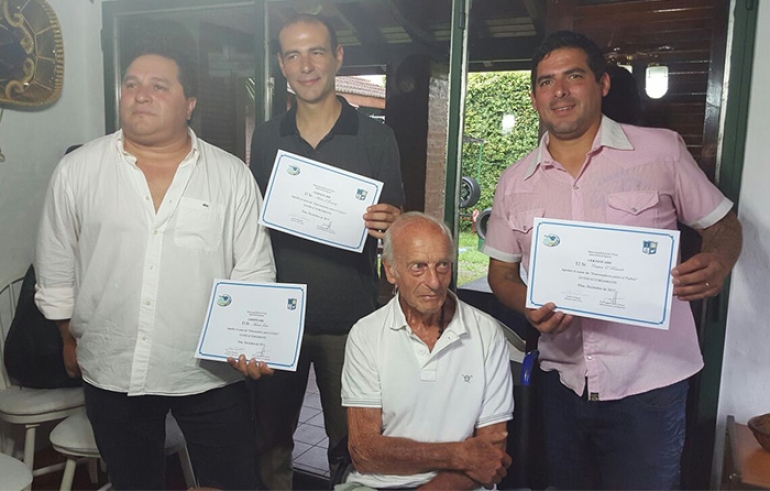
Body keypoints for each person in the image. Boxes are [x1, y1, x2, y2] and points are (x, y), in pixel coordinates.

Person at [484, 30, 742, 490]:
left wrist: (718, 262)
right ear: (534, 96)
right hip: (561, 384)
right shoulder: (514, 180)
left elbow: (723, 225)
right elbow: (501, 273)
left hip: (650, 385)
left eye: (573, 76)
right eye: (546, 82)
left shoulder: (660, 151)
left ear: (602, 83)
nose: (559, 91)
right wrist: (527, 304)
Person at [34, 23, 275, 490]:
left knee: (234, 482)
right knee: (133, 482)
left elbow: (254, 270)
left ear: (188, 105)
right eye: (131, 84)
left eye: (158, 86)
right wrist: (67, 334)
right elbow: (56, 260)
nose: (140, 95)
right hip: (112, 364)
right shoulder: (78, 169)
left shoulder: (231, 176)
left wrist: (255, 341)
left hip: (210, 372)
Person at [248, 13, 405, 488]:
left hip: (350, 322)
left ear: (337, 57)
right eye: (293, 54)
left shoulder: (377, 137)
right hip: (279, 318)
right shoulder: (268, 137)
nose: (306, 64)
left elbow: (396, 228)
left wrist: (392, 223)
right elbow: (253, 225)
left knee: (352, 444)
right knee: (269, 440)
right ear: (281, 65)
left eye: (316, 51)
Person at [339, 212, 513, 490]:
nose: (434, 282)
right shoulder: (366, 334)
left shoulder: (486, 333)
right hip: (377, 485)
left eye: (442, 265)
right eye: (418, 267)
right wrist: (459, 454)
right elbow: (364, 452)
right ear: (391, 271)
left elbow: (490, 457)